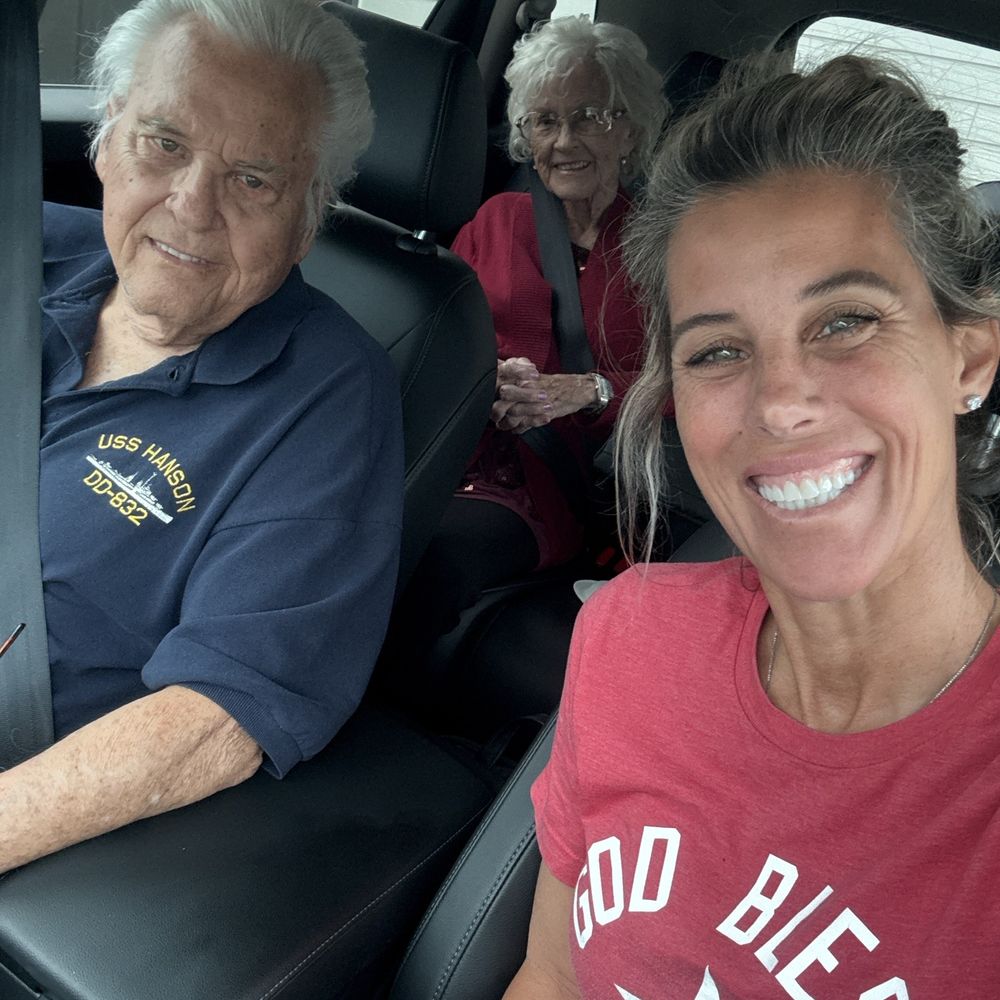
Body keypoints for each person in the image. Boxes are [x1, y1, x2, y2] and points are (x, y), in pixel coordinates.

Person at [506, 54, 1000, 997]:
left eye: (845, 322)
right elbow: (553, 973)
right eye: (719, 351)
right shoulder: (629, 634)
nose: (780, 403)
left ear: (968, 358)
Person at [0, 0, 403, 874]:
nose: (191, 205)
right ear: (108, 138)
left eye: (252, 179)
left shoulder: (326, 397)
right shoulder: (25, 248)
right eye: (164, 143)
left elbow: (217, 716)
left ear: (307, 218)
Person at [395, 17, 668, 657]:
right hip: (444, 447)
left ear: (629, 129)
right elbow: (441, 338)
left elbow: (693, 381)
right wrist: (482, 377)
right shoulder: (496, 219)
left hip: (546, 484)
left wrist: (592, 391)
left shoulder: (664, 249)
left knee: (429, 553)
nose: (563, 141)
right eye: (544, 121)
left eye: (589, 117)